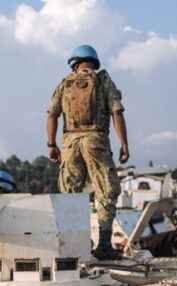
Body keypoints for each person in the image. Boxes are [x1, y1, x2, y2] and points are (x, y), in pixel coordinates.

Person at [46, 44, 129, 260]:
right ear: (94, 62)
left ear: (74, 63)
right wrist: (124, 144)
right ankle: (103, 245)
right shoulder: (102, 81)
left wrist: (51, 145)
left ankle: (74, 246)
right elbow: (117, 112)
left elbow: (52, 115)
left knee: (70, 195)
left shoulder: (65, 83)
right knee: (106, 191)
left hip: (69, 143)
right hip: (96, 140)